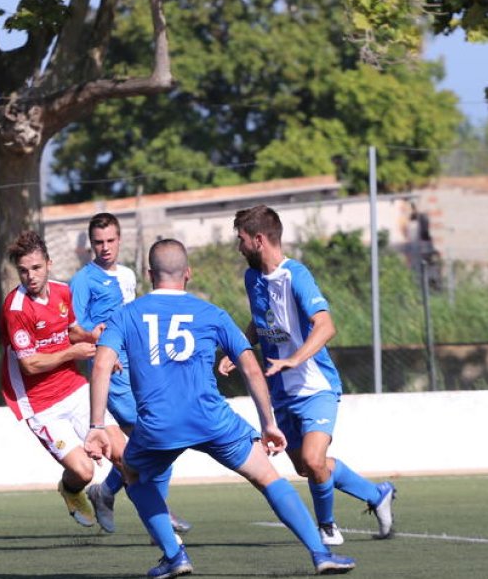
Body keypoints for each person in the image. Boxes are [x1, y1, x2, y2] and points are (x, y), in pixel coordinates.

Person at [85, 239, 356, 577]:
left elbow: (100, 365)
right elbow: (251, 368)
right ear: (188, 273)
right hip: (212, 419)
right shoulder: (212, 314)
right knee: (267, 475)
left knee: (133, 474)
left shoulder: (126, 315)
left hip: (159, 424)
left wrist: (97, 425)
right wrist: (268, 423)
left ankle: (174, 556)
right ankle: (320, 552)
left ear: (148, 274)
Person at [229, 204, 396, 546]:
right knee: (307, 469)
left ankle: (327, 528)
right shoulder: (252, 278)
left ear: (259, 239)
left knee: (313, 458)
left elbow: (326, 326)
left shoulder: (297, 275)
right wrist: (240, 349)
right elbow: (263, 321)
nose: (239, 247)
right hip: (281, 391)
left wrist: (294, 359)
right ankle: (376, 493)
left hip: (315, 385)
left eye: (241, 240)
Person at [68, 213, 191, 536]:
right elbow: (73, 330)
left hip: (139, 365)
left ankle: (106, 491)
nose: (104, 247)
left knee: (155, 438)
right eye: (98, 242)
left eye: (110, 241)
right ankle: (159, 516)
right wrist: (99, 342)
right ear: (90, 244)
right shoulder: (82, 280)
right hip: (111, 370)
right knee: (152, 434)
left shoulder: (127, 274)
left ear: (119, 240)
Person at [0, 230, 128, 529]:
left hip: (74, 388)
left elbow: (70, 331)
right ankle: (70, 490)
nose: (30, 276)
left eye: (36, 268)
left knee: (122, 454)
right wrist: (73, 352)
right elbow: (30, 365)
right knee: (84, 472)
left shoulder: (62, 292)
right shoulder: (16, 309)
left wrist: (98, 344)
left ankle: (156, 518)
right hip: (40, 404)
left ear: (49, 263)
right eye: (23, 270)